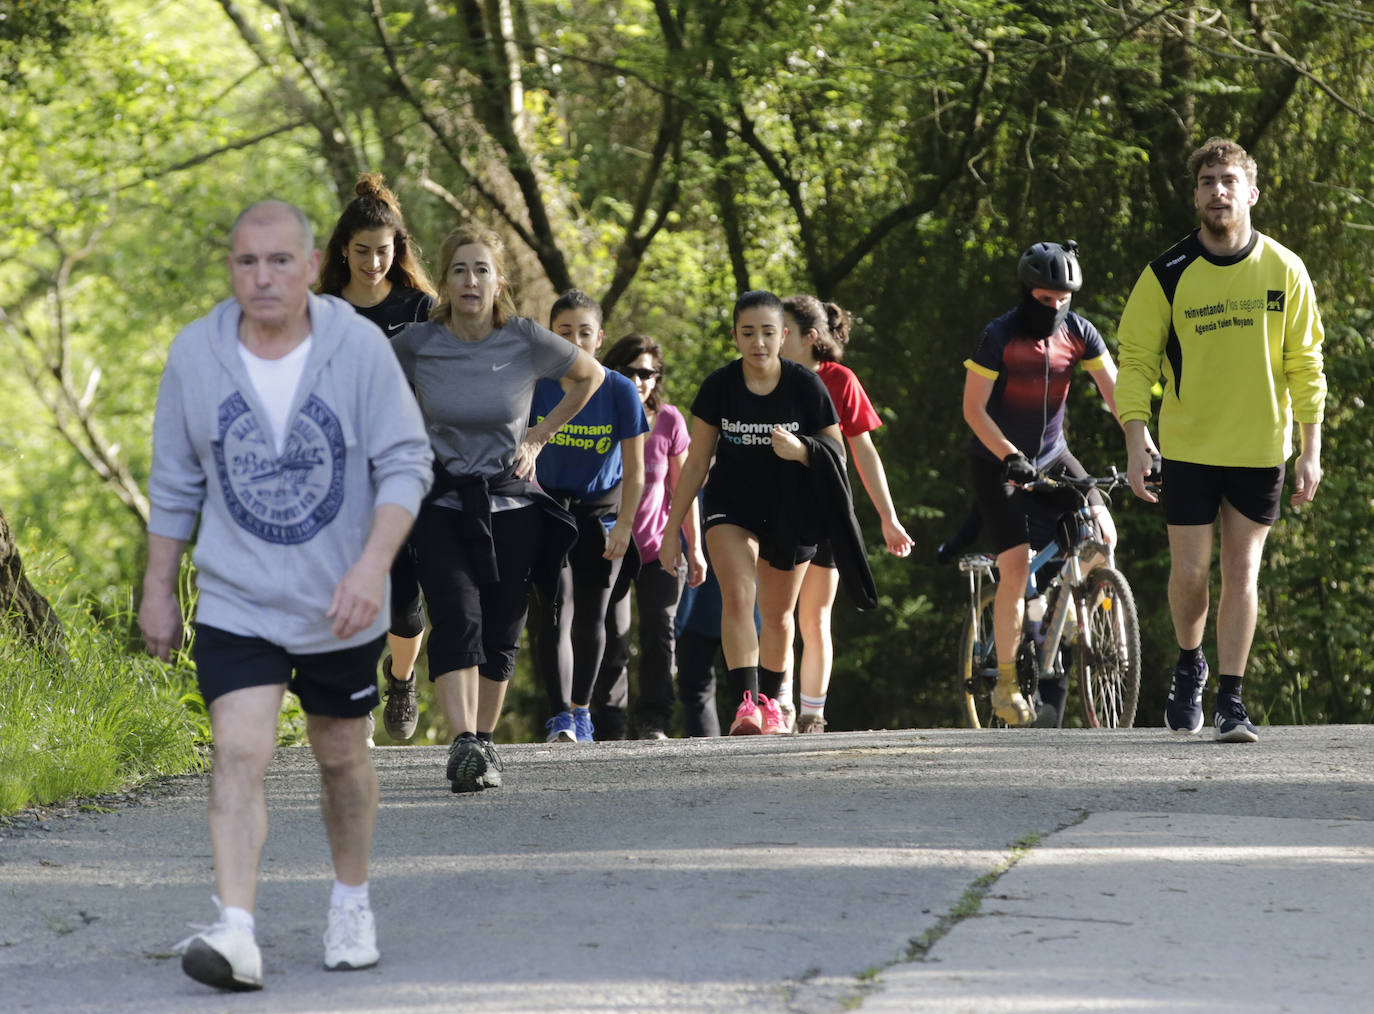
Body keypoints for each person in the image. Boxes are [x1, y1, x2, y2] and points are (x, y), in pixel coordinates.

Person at [139, 200, 433, 990]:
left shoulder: (358, 350)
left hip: (338, 594)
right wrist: (158, 589)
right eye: (246, 262)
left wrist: (371, 568)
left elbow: (406, 462)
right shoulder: (197, 356)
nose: (262, 277)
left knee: (341, 754)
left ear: (309, 266)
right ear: (231, 269)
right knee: (239, 750)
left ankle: (351, 900)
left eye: (279, 261)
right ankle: (236, 930)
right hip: (238, 597)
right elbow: (173, 483)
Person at [1117, 136, 1326, 744]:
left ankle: (1232, 700)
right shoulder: (1167, 274)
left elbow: (1305, 364)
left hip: (1261, 446)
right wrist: (1137, 439)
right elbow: (1135, 361)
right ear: (1196, 195)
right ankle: (1190, 667)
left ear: (1252, 192)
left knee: (1243, 570)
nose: (1219, 191)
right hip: (1186, 446)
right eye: (1208, 181)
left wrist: (1311, 449)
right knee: (1192, 571)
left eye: (1229, 181)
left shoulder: (1285, 269)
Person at [391, 224, 601, 791]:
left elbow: (590, 374)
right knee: (457, 615)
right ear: (444, 281)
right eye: (459, 269)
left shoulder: (525, 339)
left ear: (498, 280)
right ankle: (463, 744)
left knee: (503, 626)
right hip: (440, 501)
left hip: (512, 503)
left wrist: (539, 436)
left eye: (481, 269)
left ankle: (483, 743)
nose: (470, 280)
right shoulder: (418, 342)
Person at [962, 240, 1152, 726]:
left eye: (1064, 298)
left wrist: (1146, 446)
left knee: (1103, 532)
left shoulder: (1080, 332)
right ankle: (1006, 684)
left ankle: (1079, 606)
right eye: (1045, 299)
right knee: (1014, 564)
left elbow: (1117, 395)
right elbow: (973, 410)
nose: (1056, 307)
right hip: (997, 460)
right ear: (1027, 292)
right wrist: (1009, 456)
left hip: (1053, 453)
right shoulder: (998, 335)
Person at [659, 290, 853, 736]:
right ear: (735, 337)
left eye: (768, 333)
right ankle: (745, 705)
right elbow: (695, 463)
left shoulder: (806, 386)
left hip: (792, 508)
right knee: (740, 593)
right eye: (748, 333)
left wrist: (803, 449)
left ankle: (770, 703)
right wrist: (673, 531)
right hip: (731, 505)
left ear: (784, 336)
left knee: (779, 613)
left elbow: (836, 453)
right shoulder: (719, 386)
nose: (758, 343)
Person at [317, 172, 437, 742]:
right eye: (361, 252)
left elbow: (450, 380)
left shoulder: (421, 307)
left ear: (398, 250)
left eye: (382, 252)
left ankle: (403, 677)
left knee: (405, 597)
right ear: (344, 250)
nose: (371, 263)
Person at [779, 295, 913, 733]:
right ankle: (775, 706)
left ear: (809, 337)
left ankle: (812, 714)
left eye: (781, 330)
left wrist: (887, 518)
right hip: (776, 513)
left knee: (815, 617)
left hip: (828, 511)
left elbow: (865, 452)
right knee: (776, 613)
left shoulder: (840, 380)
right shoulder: (766, 378)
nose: (771, 339)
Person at [529, 293, 649, 744]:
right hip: (547, 509)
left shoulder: (619, 389)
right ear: (549, 336)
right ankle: (558, 716)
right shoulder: (536, 383)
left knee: (591, 618)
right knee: (553, 614)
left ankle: (582, 711)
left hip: (602, 514)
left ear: (599, 338)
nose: (575, 341)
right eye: (564, 333)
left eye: (584, 332)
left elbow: (638, 469)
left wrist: (624, 525)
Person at [592, 333, 707, 739]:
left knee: (660, 632)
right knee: (614, 638)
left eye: (648, 374)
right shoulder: (596, 413)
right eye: (630, 372)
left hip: (660, 546)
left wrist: (695, 549)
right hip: (610, 545)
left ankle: (655, 719)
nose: (639, 381)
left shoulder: (670, 420)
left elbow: (683, 487)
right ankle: (610, 725)